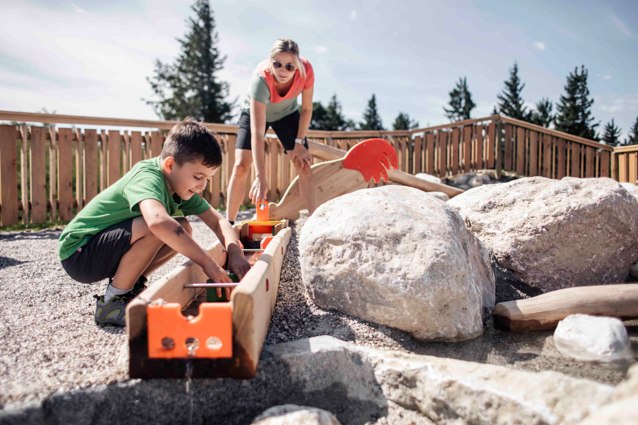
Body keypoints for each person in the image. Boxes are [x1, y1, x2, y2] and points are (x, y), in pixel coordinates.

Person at [58, 118, 250, 327]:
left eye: (207, 179)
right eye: (197, 176)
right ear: (170, 165)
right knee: (158, 226)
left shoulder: (179, 186)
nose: (202, 186)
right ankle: (112, 303)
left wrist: (235, 253)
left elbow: (219, 221)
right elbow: (157, 222)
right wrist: (208, 264)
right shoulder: (148, 177)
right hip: (79, 253)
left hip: (99, 251)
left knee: (183, 227)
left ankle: (130, 288)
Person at [226, 38, 317, 222]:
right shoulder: (260, 80)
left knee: (303, 165)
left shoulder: (306, 72)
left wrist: (299, 142)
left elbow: (306, 109)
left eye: (290, 66)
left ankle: (314, 221)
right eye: (278, 65)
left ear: (297, 65)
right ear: (270, 62)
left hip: (287, 114)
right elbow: (258, 134)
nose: (283, 71)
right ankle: (228, 223)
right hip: (256, 113)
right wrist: (260, 176)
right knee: (241, 165)